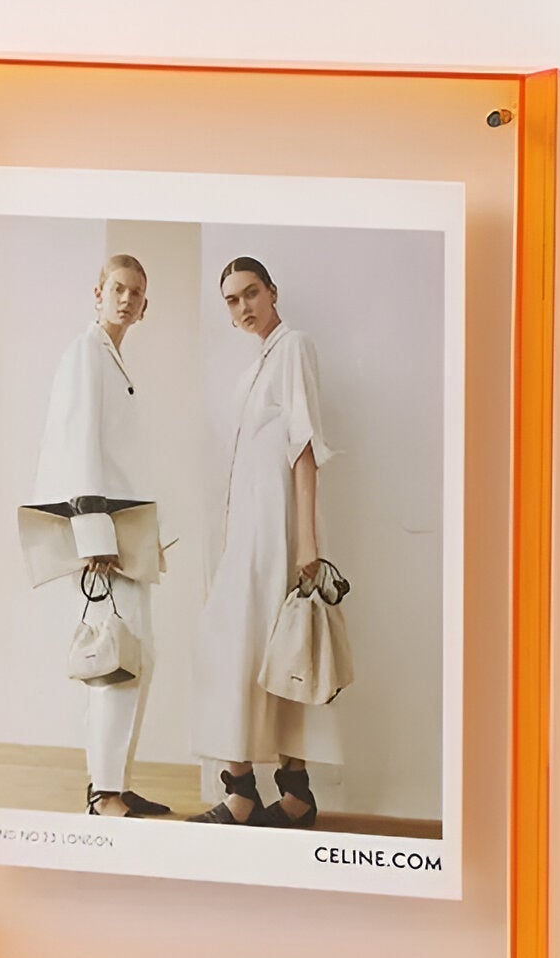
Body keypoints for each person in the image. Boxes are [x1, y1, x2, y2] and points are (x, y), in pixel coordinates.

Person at [191, 257, 340, 828]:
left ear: (272, 291)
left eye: (250, 293)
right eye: (231, 300)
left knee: (279, 656)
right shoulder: (248, 373)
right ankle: (268, 792)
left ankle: (263, 796)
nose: (243, 306)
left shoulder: (294, 347)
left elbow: (304, 447)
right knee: (246, 655)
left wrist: (307, 541)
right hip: (246, 535)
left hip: (279, 533)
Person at [30, 254, 170, 819]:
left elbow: (122, 457)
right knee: (115, 656)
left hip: (125, 526)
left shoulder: (112, 359)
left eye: (136, 292)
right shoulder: (86, 353)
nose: (125, 299)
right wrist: (94, 539)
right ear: (97, 292)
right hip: (103, 534)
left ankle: (115, 781)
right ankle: (103, 793)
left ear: (144, 305)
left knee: (135, 655)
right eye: (117, 288)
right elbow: (76, 445)